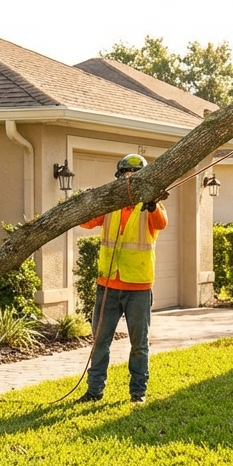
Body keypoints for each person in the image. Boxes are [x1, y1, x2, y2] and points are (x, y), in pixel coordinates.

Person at [77, 153, 167, 404]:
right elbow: (85, 222)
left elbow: (161, 223)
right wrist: (88, 199)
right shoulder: (110, 204)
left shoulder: (152, 204)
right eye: (126, 173)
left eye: (135, 175)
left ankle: (138, 393)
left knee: (139, 344)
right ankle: (94, 392)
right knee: (100, 342)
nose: (130, 178)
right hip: (108, 286)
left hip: (138, 286)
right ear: (119, 176)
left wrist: (152, 204)